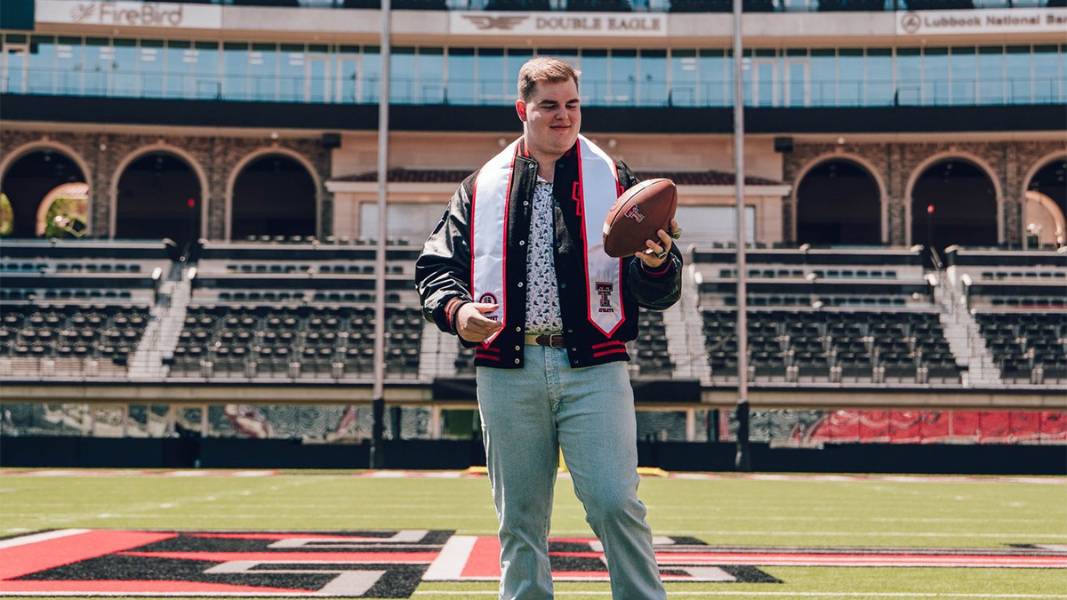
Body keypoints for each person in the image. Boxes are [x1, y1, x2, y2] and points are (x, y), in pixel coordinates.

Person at [415, 56, 680, 599]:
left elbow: (658, 290)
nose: (564, 116)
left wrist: (657, 264)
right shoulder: (480, 186)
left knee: (615, 503)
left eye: (572, 104)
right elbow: (436, 269)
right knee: (520, 520)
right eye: (550, 106)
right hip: (509, 368)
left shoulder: (617, 181)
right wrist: (457, 311)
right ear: (523, 110)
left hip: (594, 365)